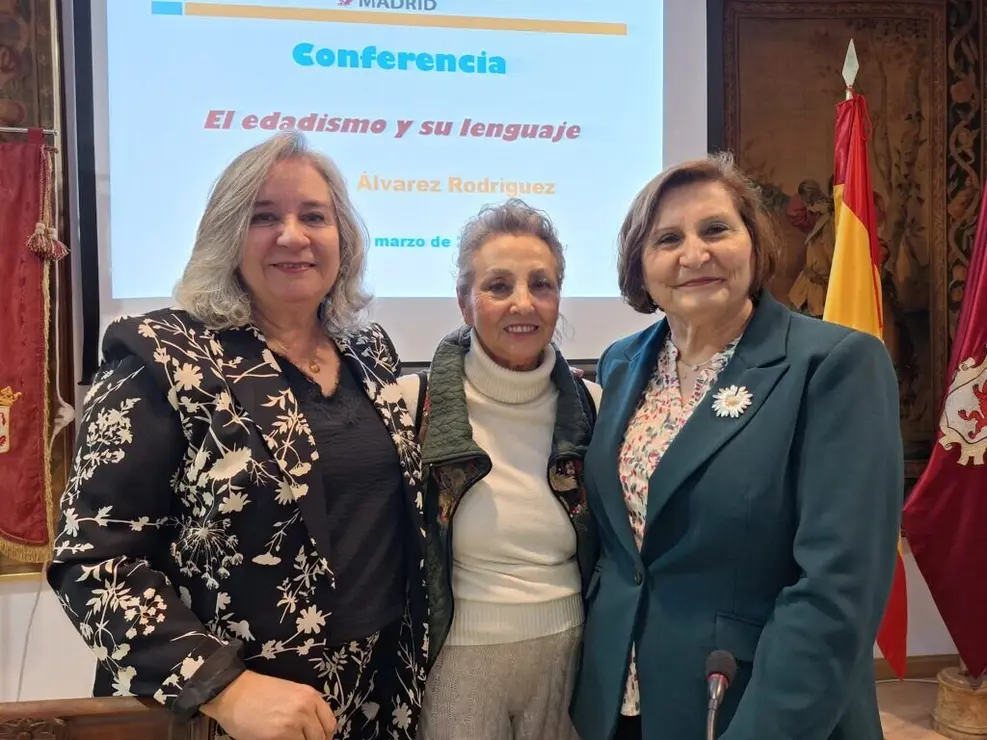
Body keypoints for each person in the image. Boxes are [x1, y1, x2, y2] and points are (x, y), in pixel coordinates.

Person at [47, 132, 428, 740]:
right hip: (232, 714)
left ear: (344, 238)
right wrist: (223, 687)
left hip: (377, 691)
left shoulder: (369, 352)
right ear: (227, 235)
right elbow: (92, 562)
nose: (293, 236)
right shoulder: (161, 357)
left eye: (314, 216)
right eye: (263, 217)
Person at [570, 153, 903, 740]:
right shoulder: (622, 363)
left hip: (752, 705)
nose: (694, 254)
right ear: (640, 265)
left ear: (754, 243)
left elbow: (837, 590)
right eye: (668, 238)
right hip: (620, 699)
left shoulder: (834, 365)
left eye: (716, 229)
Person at [397, 199, 601, 740]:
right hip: (460, 661)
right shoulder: (412, 404)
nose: (523, 303)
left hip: (571, 656)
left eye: (541, 284)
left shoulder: (594, 405)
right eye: (498, 285)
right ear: (464, 302)